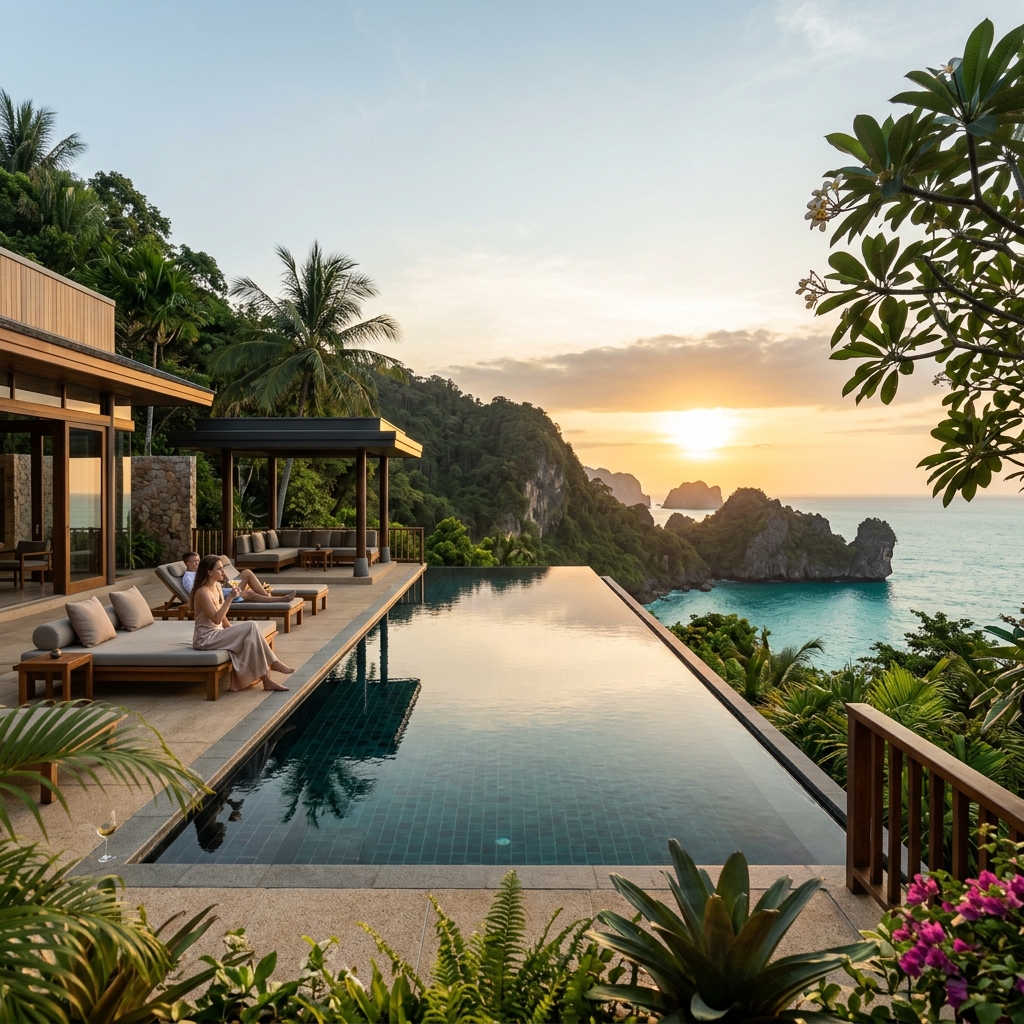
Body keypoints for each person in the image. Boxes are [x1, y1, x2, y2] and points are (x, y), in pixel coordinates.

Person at [191, 554, 294, 692]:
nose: (224, 572)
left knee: (250, 637)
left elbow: (222, 619)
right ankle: (273, 663)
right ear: (209, 572)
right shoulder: (202, 592)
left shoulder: (216, 587)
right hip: (205, 638)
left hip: (218, 633)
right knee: (251, 626)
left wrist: (232, 630)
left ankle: (267, 681)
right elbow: (216, 618)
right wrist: (230, 598)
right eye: (220, 569)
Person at [181, 551, 294, 603]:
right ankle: (281, 599)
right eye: (194, 561)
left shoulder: (202, 571)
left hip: (222, 589)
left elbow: (215, 583)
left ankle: (267, 597)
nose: (197, 563)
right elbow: (196, 594)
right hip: (218, 595)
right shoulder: (188, 578)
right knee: (250, 594)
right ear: (187, 563)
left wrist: (223, 579)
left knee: (247, 572)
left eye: (198, 560)